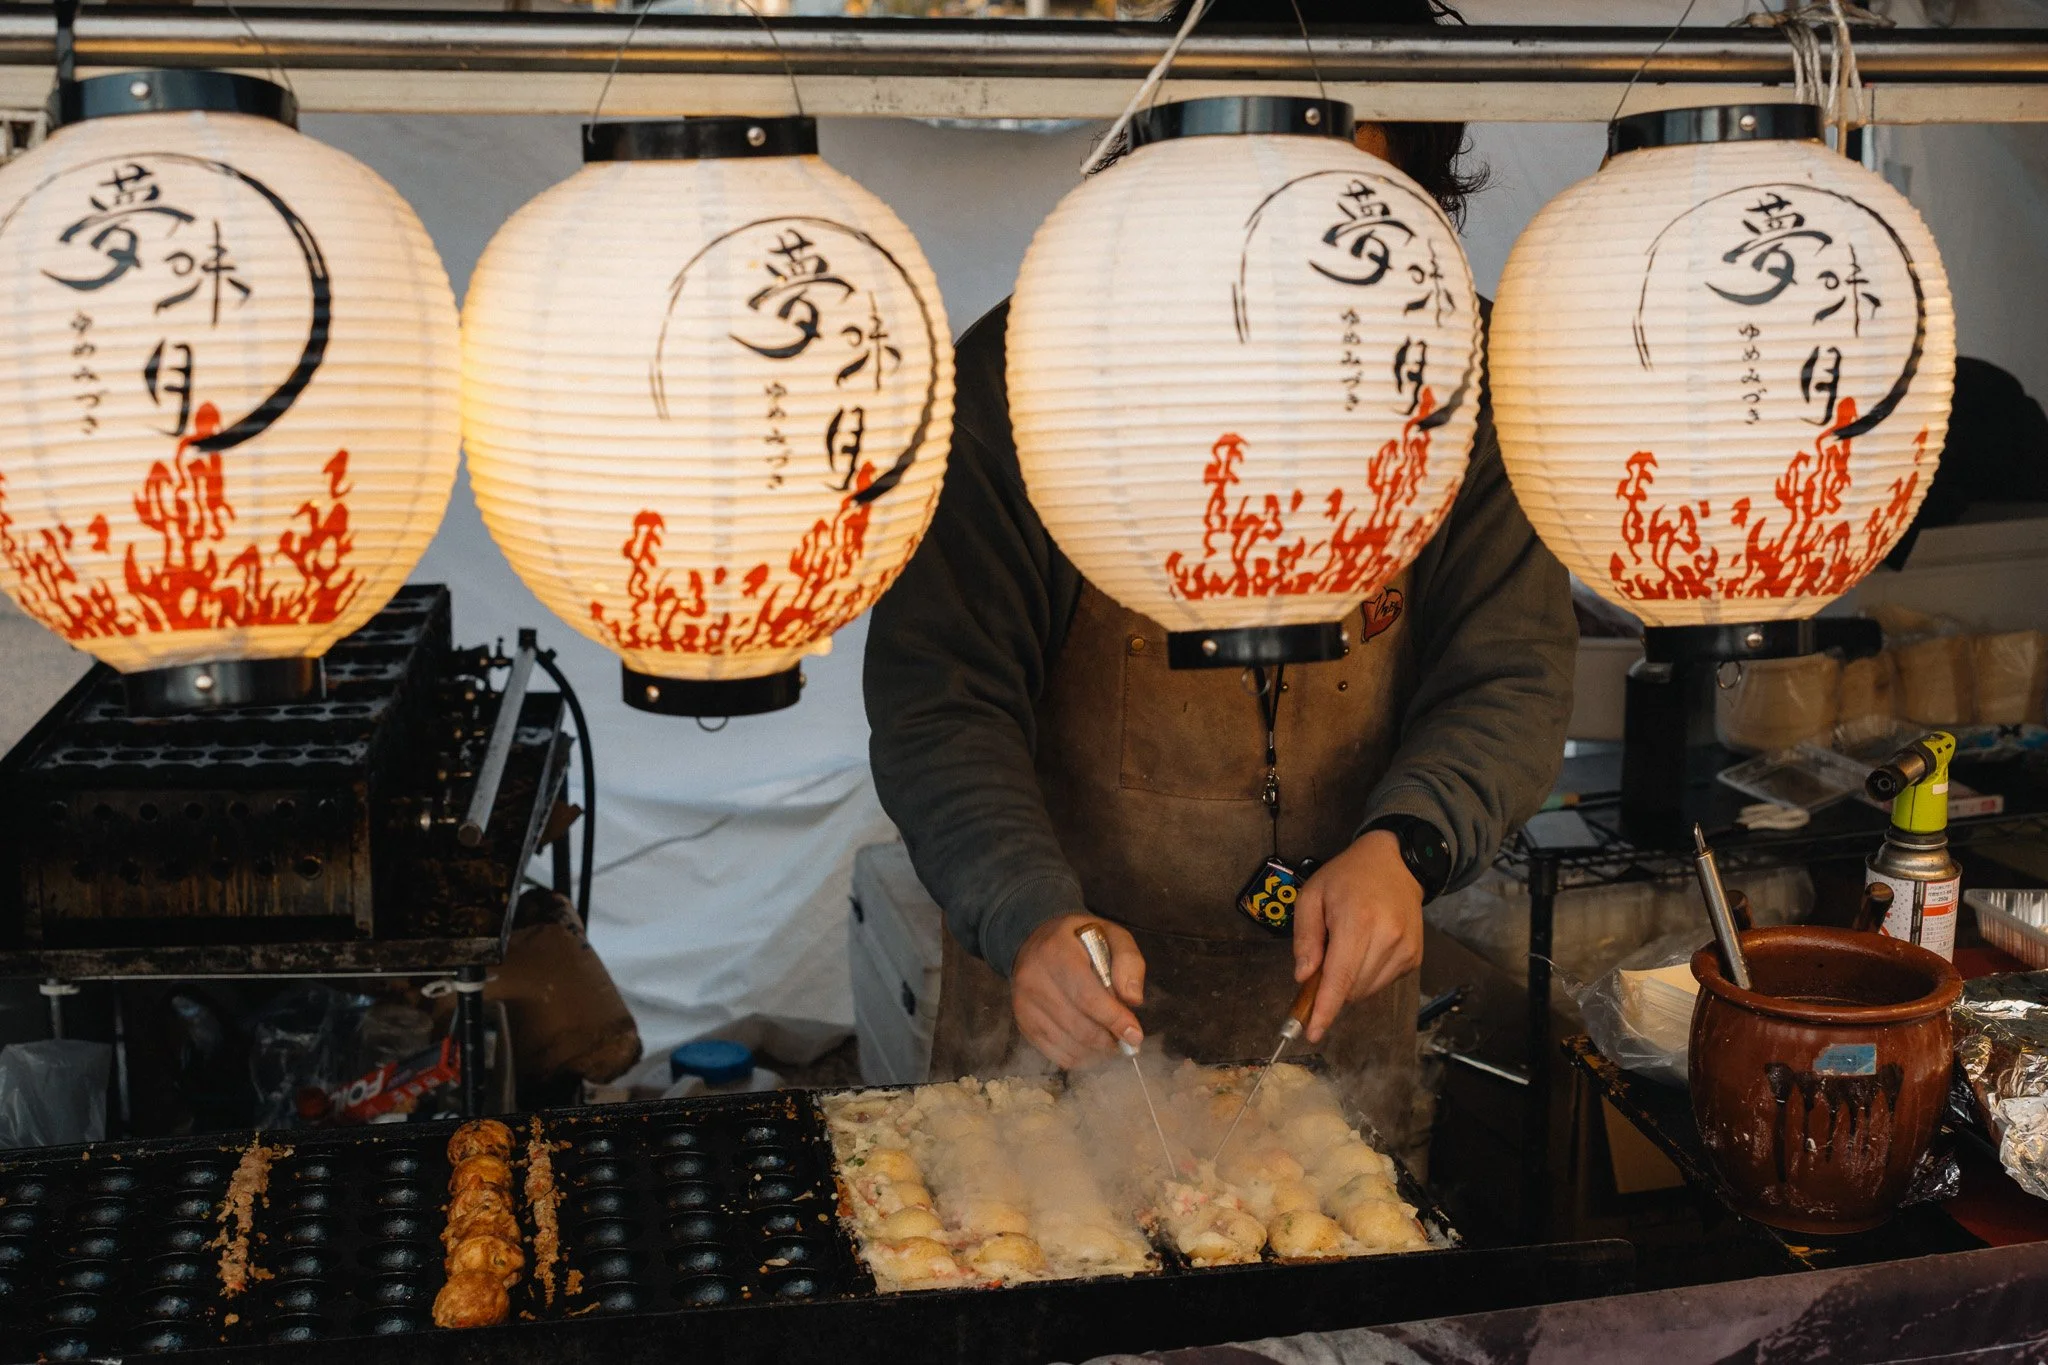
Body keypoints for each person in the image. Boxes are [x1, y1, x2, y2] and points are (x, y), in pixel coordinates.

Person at [862, 0, 1575, 1142]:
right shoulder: (1034, 373)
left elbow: (1511, 669)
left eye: (1345, 228)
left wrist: (1409, 843)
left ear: (1419, 202)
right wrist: (1026, 910)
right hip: (1053, 1015)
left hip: (1326, 1021)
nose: (1293, 268)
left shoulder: (1466, 384)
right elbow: (942, 697)